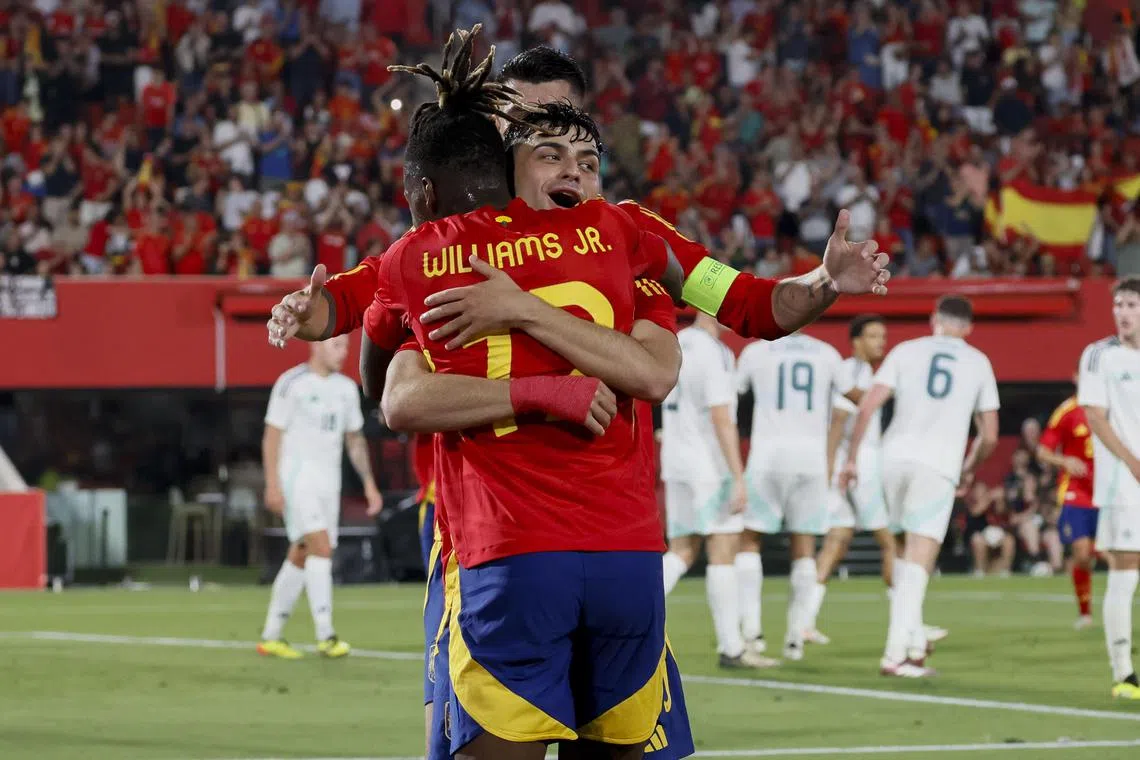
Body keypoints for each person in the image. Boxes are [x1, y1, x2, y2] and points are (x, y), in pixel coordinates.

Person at [364, 31, 683, 758]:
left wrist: (531, 374)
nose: (572, 165)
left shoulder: (427, 255)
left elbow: (392, 396)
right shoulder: (626, 239)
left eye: (583, 154)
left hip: (508, 551)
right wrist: (810, 290)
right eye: (552, 146)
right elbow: (701, 331)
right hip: (627, 551)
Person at [841, 296, 999, 678]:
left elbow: (868, 405)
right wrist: (969, 467)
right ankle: (897, 656)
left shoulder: (906, 350)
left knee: (899, 551)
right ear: (969, 328)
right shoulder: (978, 361)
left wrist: (851, 457)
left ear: (934, 320)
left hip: (893, 460)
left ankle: (913, 639)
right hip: (937, 464)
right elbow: (990, 436)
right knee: (919, 559)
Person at [659, 311, 777, 669]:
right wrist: (738, 476)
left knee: (681, 551)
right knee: (723, 549)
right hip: (708, 464)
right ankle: (732, 647)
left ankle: (618, 621)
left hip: (675, 457)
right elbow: (721, 417)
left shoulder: (673, 340)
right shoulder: (715, 352)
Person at [735, 330, 858, 662]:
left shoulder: (756, 350)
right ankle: (795, 638)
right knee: (804, 547)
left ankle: (752, 633)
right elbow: (855, 395)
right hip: (811, 461)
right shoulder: (827, 352)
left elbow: (733, 395)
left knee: (749, 541)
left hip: (767, 457)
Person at [256, 335, 382, 659]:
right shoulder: (291, 383)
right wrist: (272, 483)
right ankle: (326, 634)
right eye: (336, 345)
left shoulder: (345, 389)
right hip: (298, 479)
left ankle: (271, 635)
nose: (344, 352)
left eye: (345, 347)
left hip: (329, 484)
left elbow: (354, 440)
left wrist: (369, 483)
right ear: (316, 344)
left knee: (302, 552)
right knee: (321, 547)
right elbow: (272, 436)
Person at [802, 314, 896, 645]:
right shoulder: (853, 372)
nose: (880, 342)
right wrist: (829, 470)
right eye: (873, 336)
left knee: (836, 540)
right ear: (856, 340)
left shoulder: (866, 371)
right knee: (890, 543)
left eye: (882, 335)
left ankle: (804, 621)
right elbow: (838, 422)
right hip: (857, 468)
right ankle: (907, 624)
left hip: (845, 468)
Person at [1078, 276, 1140, 700]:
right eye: (1118, 304)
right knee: (1125, 573)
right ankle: (1125, 674)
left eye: (1132, 304)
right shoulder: (1099, 355)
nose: (1122, 311)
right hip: (1124, 483)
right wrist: (1134, 463)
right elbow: (1095, 416)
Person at [1037, 376, 1098, 629]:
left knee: (1122, 555)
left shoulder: (1114, 407)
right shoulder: (1067, 411)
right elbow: (1043, 451)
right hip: (1077, 493)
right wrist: (1065, 462)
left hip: (1111, 491)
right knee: (1082, 554)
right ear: (1076, 377)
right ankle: (1085, 613)